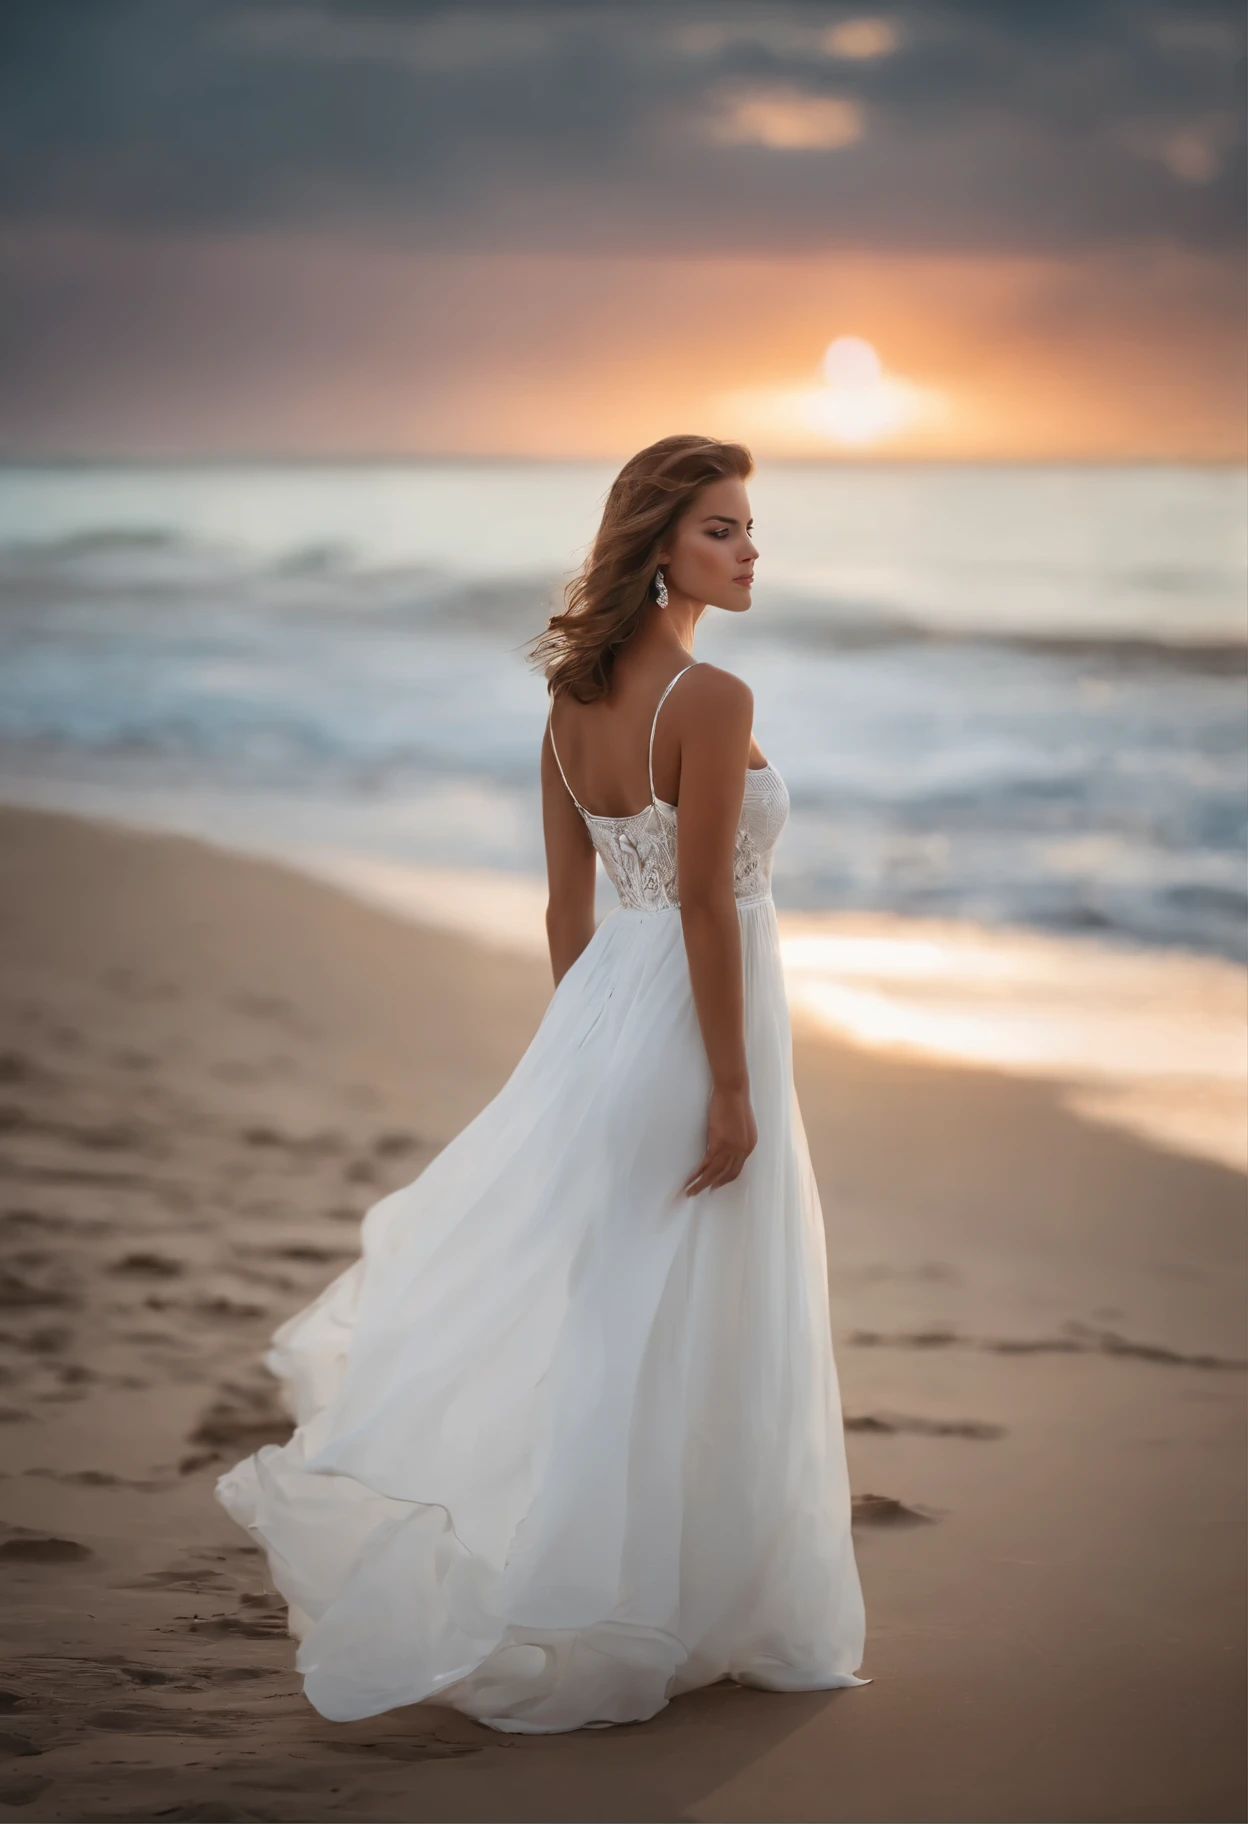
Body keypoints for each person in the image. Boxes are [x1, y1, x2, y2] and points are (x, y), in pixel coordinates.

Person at [215, 433, 869, 1734]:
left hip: (607, 1028)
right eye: (722, 530)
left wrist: (582, 1059)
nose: (749, 550)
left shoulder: (569, 707)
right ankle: (679, 1610)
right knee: (706, 1316)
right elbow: (700, 905)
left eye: (748, 527)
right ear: (658, 547)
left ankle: (608, 1596)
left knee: (623, 1317)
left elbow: (571, 916)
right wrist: (730, 1089)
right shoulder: (713, 698)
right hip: (694, 1029)